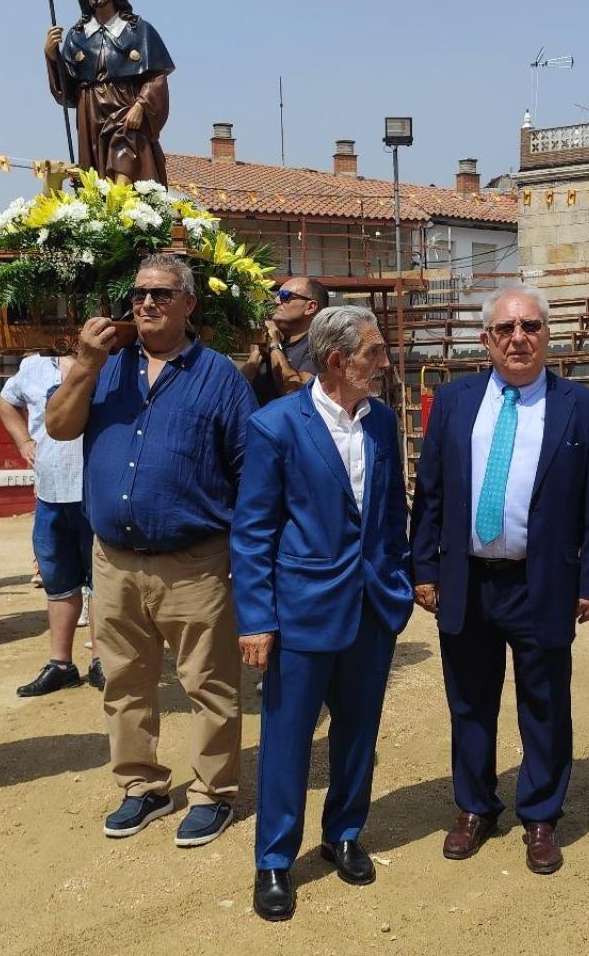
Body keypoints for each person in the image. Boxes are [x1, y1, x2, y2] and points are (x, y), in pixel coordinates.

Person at [47, 253, 252, 846]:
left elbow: (249, 472)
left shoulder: (220, 377)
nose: (147, 304)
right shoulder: (105, 369)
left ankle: (213, 793)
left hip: (195, 562)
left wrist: (244, 557)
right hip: (113, 560)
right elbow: (59, 427)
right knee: (125, 681)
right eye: (138, 295)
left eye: (162, 295)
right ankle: (142, 786)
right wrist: (86, 362)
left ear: (189, 304)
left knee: (208, 684)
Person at [411, 282, 589, 876]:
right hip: (466, 581)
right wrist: (423, 566)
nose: (519, 338)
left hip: (542, 581)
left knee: (545, 703)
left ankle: (542, 813)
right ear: (487, 340)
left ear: (547, 336)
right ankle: (475, 806)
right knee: (469, 702)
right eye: (506, 329)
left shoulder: (581, 406)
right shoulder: (453, 401)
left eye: (530, 327)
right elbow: (430, 493)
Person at [232, 305, 413, 921]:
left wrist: (399, 577)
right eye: (375, 353)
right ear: (337, 361)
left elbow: (391, 512)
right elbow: (253, 530)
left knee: (358, 731)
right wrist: (256, 618)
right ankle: (276, 861)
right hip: (302, 610)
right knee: (286, 738)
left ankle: (343, 833)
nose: (385, 364)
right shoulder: (275, 426)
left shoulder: (383, 422)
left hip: (371, 606)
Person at [0, 342, 101, 694]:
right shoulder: (34, 365)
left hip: (96, 488)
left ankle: (101, 660)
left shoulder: (110, 360)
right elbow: (5, 400)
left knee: (101, 580)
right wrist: (23, 440)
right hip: (51, 489)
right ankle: (61, 663)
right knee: (58, 580)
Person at [44, 0, 175, 185]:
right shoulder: (77, 35)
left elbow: (157, 76)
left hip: (125, 105)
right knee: (96, 177)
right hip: (89, 111)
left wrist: (141, 105)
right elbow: (67, 91)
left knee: (127, 150)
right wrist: (53, 56)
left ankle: (125, 208)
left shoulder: (139, 30)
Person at [242, 277, 327, 406]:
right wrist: (256, 356)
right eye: (277, 295)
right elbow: (235, 390)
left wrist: (275, 346)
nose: (276, 301)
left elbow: (294, 392)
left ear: (310, 307)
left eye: (285, 296)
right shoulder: (271, 341)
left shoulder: (321, 346)